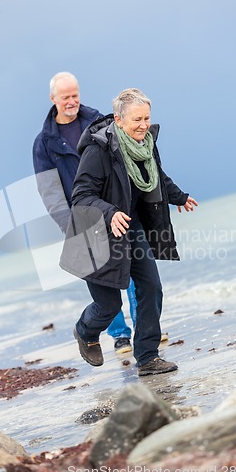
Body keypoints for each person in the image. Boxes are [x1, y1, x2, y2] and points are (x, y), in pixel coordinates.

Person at [60, 88, 198, 376]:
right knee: (108, 305)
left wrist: (180, 196)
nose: (143, 124)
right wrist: (109, 213)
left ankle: (147, 357)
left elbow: (156, 177)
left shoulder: (145, 144)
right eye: (137, 119)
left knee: (151, 287)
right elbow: (81, 196)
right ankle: (85, 331)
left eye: (146, 118)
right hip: (95, 233)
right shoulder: (99, 150)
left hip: (130, 228)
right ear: (119, 121)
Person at [32, 72, 136, 353]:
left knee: (134, 271)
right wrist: (71, 226)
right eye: (65, 97)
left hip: (116, 210)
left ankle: (143, 327)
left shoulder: (98, 121)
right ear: (53, 99)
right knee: (105, 280)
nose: (72, 101)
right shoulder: (44, 143)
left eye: (75, 95)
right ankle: (120, 336)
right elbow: (50, 192)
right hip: (83, 222)